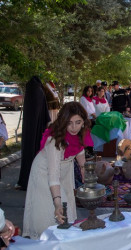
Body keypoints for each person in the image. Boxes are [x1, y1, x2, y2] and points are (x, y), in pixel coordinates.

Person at [23, 102, 93, 239]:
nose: (74, 127)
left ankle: (64, 241)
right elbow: (53, 175)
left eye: (78, 122)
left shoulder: (81, 132)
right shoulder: (54, 140)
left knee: (68, 209)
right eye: (69, 123)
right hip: (44, 172)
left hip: (65, 171)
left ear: (83, 122)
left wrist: (85, 172)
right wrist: (57, 203)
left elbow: (79, 152)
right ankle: (45, 241)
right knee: (51, 210)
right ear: (63, 121)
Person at [17, 76, 51, 190]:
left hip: (28, 131)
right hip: (39, 131)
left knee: (28, 155)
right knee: (37, 154)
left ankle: (25, 181)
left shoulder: (30, 91)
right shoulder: (40, 91)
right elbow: (46, 115)